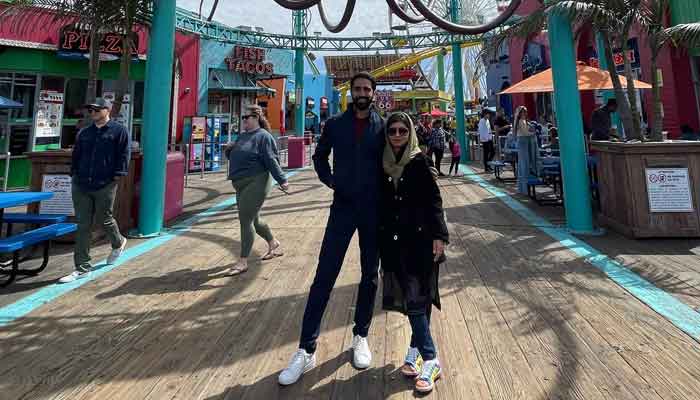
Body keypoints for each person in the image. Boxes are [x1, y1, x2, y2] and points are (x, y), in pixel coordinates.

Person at [279, 72, 385, 386]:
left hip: (373, 209)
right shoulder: (335, 124)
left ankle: (360, 335)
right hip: (342, 208)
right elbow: (320, 156)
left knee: (369, 274)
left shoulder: (384, 126)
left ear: (373, 93)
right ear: (350, 92)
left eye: (367, 88)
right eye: (357, 88)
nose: (362, 92)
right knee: (325, 275)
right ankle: (306, 348)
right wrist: (331, 180)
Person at [379, 112, 449, 393]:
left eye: (402, 131)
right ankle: (415, 348)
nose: (397, 136)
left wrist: (440, 235)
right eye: (393, 131)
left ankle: (430, 358)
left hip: (421, 240)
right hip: (395, 241)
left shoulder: (419, 162)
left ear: (410, 134)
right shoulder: (382, 162)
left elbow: (434, 200)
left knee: (416, 298)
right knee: (418, 296)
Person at [60, 98, 129, 283]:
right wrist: (73, 173)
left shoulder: (119, 131)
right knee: (83, 225)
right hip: (81, 183)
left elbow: (123, 154)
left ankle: (118, 241)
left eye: (97, 110)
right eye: (90, 110)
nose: (93, 113)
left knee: (104, 218)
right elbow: (77, 154)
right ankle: (82, 267)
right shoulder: (84, 133)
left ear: (107, 110)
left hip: (105, 183)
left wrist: (117, 175)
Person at [224, 105, 288, 276]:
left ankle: (243, 261)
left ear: (256, 118)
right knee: (255, 220)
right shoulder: (243, 135)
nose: (243, 120)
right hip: (240, 183)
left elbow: (271, 160)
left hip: (257, 180)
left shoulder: (264, 136)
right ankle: (273, 243)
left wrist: (282, 180)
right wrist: (230, 151)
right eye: (242, 117)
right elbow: (238, 155)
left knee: (245, 220)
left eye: (246, 117)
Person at [514, 106, 537, 194]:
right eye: (522, 112)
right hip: (523, 142)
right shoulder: (520, 121)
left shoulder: (523, 121)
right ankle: (524, 188)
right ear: (520, 114)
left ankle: (523, 187)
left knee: (523, 164)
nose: (524, 114)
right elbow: (525, 132)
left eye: (525, 112)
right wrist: (533, 133)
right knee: (524, 164)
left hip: (524, 142)